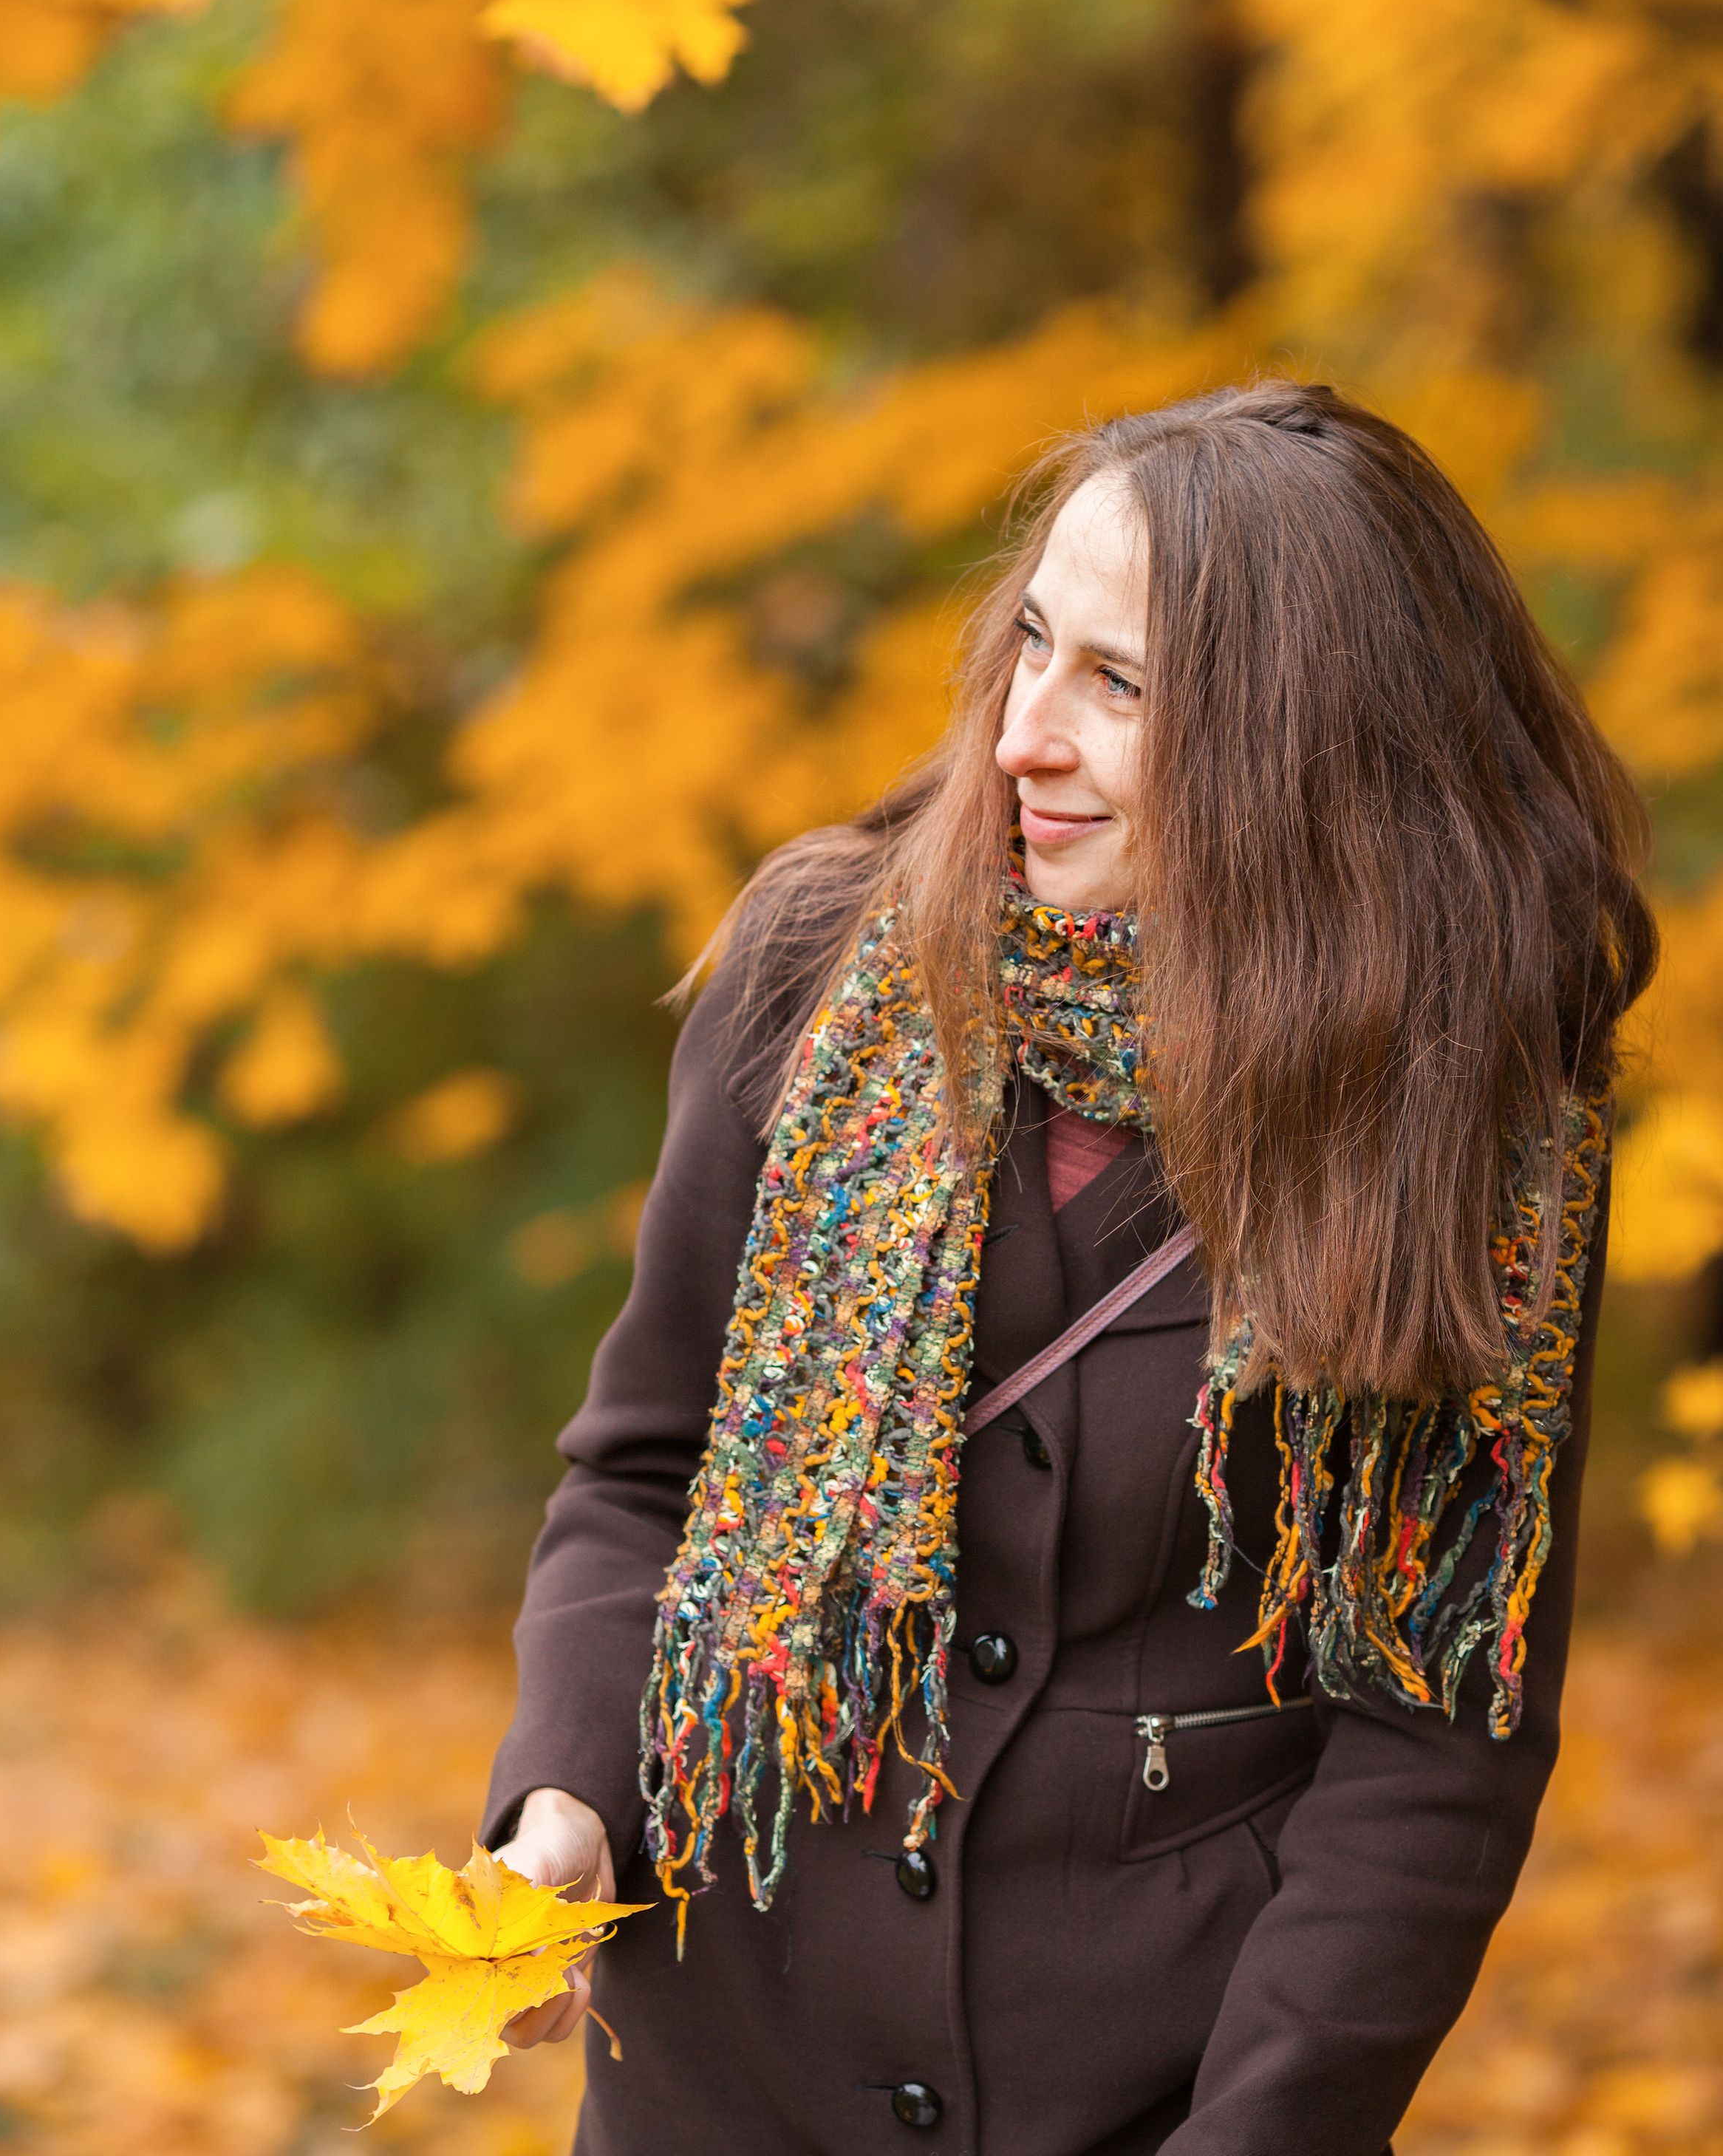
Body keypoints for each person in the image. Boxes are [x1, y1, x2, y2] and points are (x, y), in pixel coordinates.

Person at [482, 378, 1656, 2156]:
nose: (1022, 733)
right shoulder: (822, 976)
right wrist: (566, 1804)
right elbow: (646, 1468)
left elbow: (1429, 1730)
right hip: (718, 2069)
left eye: (1116, 685)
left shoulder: (1459, 1109)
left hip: (1146, 2095)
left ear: (1298, 737)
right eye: (1029, 645)